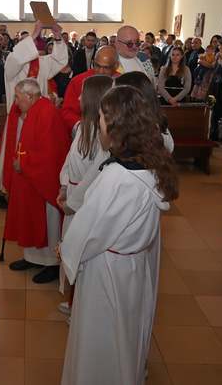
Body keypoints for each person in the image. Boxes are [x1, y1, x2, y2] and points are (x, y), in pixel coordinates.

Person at [57, 85, 178, 385]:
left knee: (102, 342)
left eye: (100, 115)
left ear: (115, 122)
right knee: (126, 336)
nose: (97, 121)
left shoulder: (117, 176)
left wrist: (67, 248)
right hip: (132, 267)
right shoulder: (149, 162)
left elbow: (93, 230)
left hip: (106, 271)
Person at [0, 20, 67, 208]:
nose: (33, 49)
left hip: (38, 118)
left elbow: (60, 61)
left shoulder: (43, 63)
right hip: (18, 117)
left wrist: (57, 38)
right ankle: (1, 189)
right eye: (29, 44)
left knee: (33, 155)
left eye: (35, 44)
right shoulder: (13, 63)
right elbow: (16, 58)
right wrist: (34, 34)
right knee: (13, 154)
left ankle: (30, 188)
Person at [57, 75, 113, 318]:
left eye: (83, 94)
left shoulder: (102, 135)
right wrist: (62, 185)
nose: (78, 98)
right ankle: (73, 303)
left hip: (84, 200)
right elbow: (70, 159)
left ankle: (79, 310)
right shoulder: (82, 127)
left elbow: (93, 175)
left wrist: (72, 202)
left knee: (80, 254)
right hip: (72, 193)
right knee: (71, 249)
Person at [4, 79, 70, 283]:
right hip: (30, 176)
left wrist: (23, 163)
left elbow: (48, 152)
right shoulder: (35, 110)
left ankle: (50, 263)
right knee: (30, 217)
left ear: (30, 96)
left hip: (44, 179)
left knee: (47, 220)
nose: (16, 103)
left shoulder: (48, 113)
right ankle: (33, 258)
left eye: (18, 97)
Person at [61, 46, 120, 139]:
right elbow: (67, 112)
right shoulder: (78, 81)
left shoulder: (122, 83)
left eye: (106, 67)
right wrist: (84, 128)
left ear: (116, 65)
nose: (100, 71)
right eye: (97, 65)